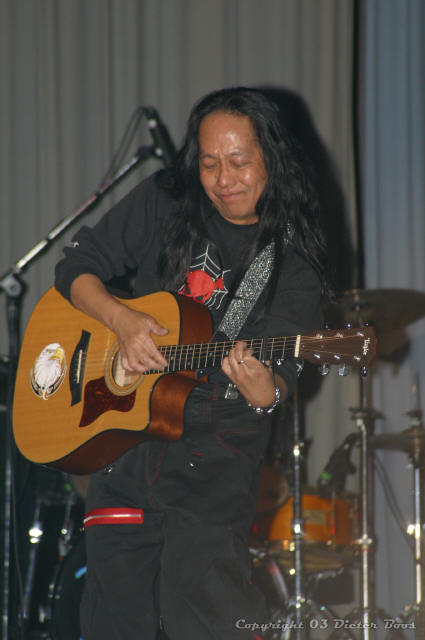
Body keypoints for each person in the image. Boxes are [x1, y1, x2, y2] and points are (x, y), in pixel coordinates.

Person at [54, 87, 327, 640]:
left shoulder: (292, 262)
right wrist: (121, 321)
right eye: (209, 163)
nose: (223, 179)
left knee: (205, 614)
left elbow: (279, 381)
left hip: (214, 453)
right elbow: (76, 269)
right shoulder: (165, 200)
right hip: (125, 446)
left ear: (271, 159)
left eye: (239, 161)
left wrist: (265, 391)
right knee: (114, 620)